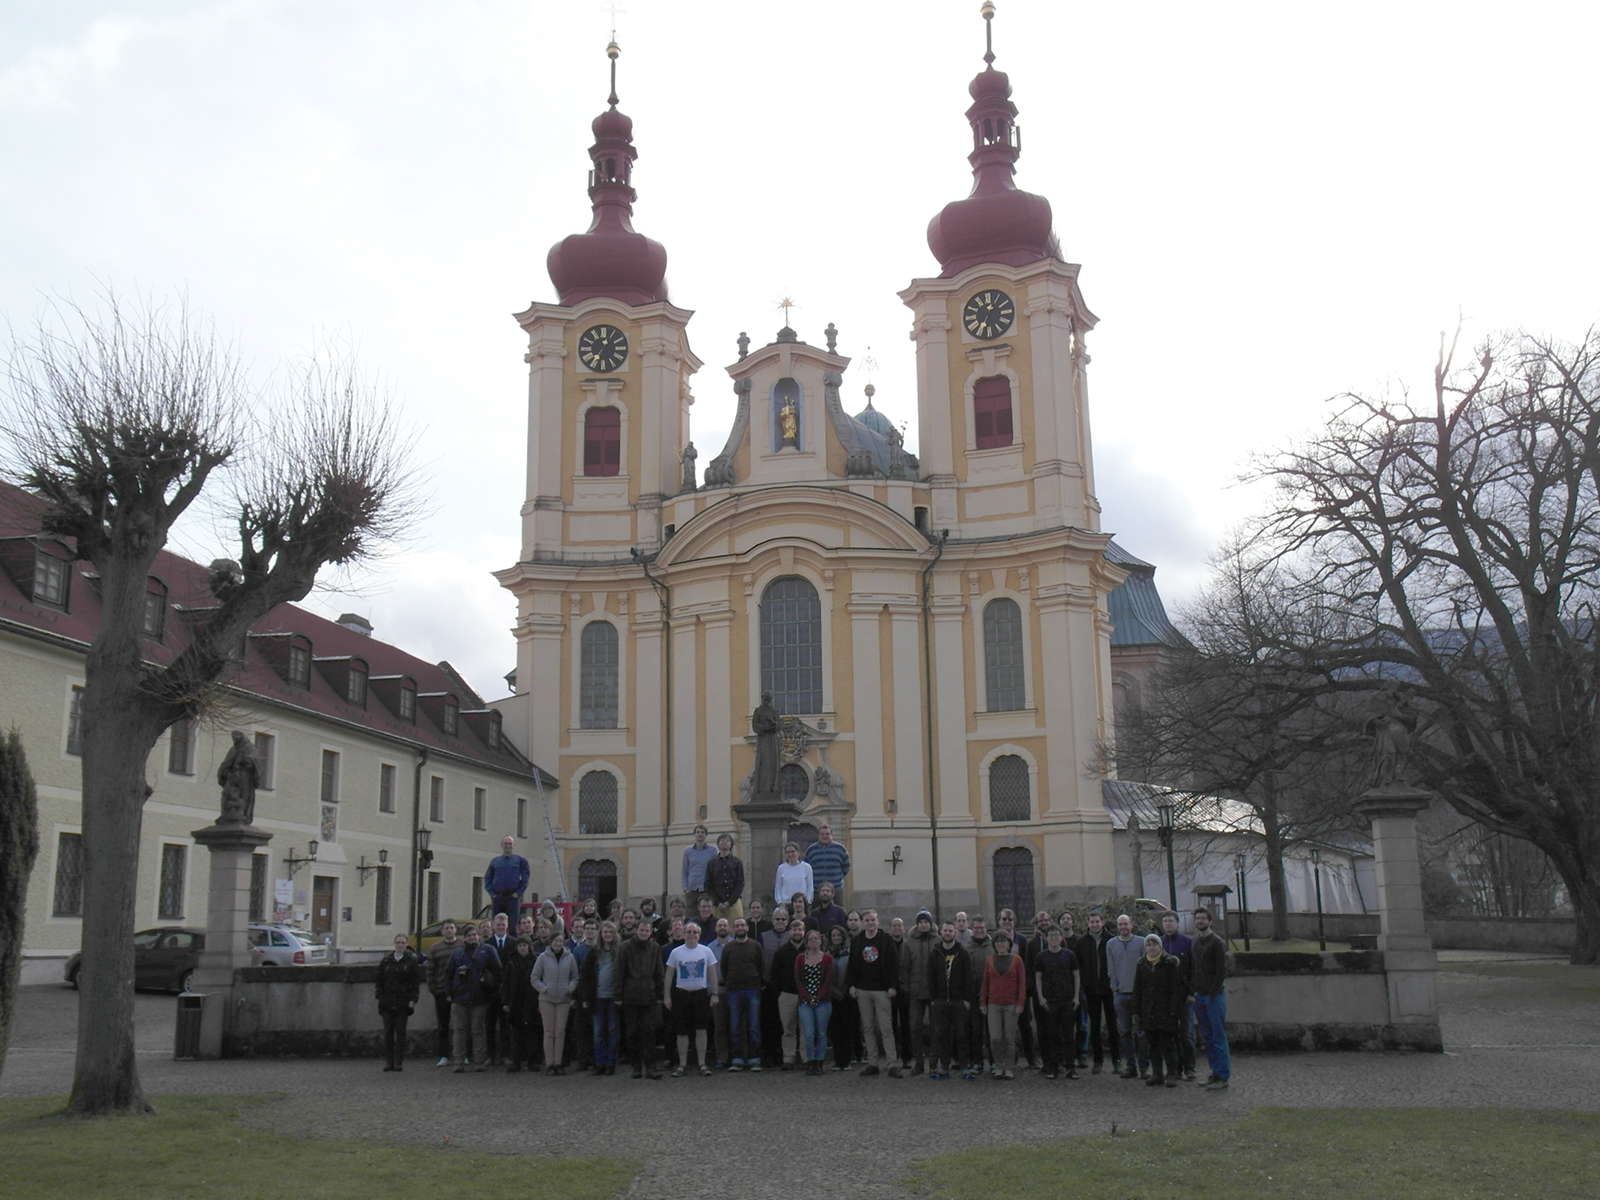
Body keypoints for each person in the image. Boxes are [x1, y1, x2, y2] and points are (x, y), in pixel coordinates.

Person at [664, 921, 719, 1077]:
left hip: (701, 994)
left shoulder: (706, 951)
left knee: (701, 1029)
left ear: (699, 935)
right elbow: (669, 976)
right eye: (689, 931)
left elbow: (712, 974)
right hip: (681, 994)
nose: (692, 934)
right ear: (684, 933)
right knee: (681, 1031)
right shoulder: (676, 952)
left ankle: (702, 1063)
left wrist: (714, 993)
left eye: (695, 932)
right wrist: (667, 996)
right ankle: (682, 1064)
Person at [848, 908, 899, 1077]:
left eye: (873, 920)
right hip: (862, 990)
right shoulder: (857, 941)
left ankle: (892, 1063)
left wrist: (893, 986)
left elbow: (893, 964)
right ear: (863, 923)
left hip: (882, 990)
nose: (870, 923)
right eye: (867, 920)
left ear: (877, 922)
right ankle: (873, 1063)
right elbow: (852, 965)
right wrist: (852, 985)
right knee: (868, 1028)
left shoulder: (886, 940)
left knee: (886, 1028)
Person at [1132, 933, 1186, 1087]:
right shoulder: (1141, 964)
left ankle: (1172, 1074)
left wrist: (1174, 1010)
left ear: (1160, 946)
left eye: (1154, 944)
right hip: (1148, 1011)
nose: (1151, 947)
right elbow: (1137, 989)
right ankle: (1157, 1074)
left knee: (1168, 1044)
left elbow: (1176, 989)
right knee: (1153, 1044)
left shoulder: (1170, 963)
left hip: (1166, 1010)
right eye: (1148, 945)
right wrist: (1136, 1011)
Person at [447, 924, 501, 1072]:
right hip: (460, 998)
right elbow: (449, 974)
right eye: (469, 935)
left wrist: (490, 989)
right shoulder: (457, 953)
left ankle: (479, 1061)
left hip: (480, 998)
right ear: (464, 938)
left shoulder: (487, 950)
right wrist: (450, 992)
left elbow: (497, 972)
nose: (472, 937)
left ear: (479, 936)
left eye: (475, 934)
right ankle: (458, 1062)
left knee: (478, 1030)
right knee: (459, 1031)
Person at [617, 914, 665, 1079]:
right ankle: (636, 1066)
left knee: (649, 1032)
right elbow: (620, 973)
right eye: (642, 930)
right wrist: (619, 994)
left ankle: (650, 1067)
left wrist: (660, 993)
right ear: (636, 930)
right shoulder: (624, 947)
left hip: (649, 996)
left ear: (651, 932)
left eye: (647, 930)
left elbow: (659, 972)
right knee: (632, 1033)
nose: (644, 932)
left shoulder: (655, 947)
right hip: (630, 996)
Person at [1190, 906, 1231, 1091]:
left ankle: (1222, 1076)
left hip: (1214, 996)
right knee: (1208, 1038)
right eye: (1197, 918)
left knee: (1218, 1037)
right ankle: (1214, 1072)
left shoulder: (1217, 942)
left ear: (1210, 921)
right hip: (1200, 996)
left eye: (1203, 918)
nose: (1200, 921)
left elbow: (1221, 971)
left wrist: (1211, 992)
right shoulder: (1195, 942)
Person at [927, 920, 973, 1081]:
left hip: (958, 1001)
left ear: (955, 933)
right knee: (942, 1035)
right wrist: (933, 999)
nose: (947, 933)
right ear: (941, 933)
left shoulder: (963, 952)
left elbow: (968, 977)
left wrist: (966, 999)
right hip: (940, 1001)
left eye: (950, 931)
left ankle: (965, 1067)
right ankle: (944, 1067)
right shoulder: (935, 953)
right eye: (945, 930)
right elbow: (930, 977)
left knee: (961, 1035)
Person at [1033, 925, 1079, 1080]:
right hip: (1050, 1002)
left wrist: (1076, 997)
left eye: (1056, 935)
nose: (1053, 938)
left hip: (1067, 1000)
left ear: (1061, 937)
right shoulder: (1041, 956)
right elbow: (1038, 978)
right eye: (1050, 935)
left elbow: (1076, 976)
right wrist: (1040, 997)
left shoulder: (1069, 955)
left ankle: (1070, 1067)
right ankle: (1053, 1067)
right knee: (1052, 1036)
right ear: (1046, 938)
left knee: (1068, 1036)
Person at [1105, 913, 1148, 1079]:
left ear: (1132, 925)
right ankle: (1130, 1067)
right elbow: (1111, 968)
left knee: (1141, 1033)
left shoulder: (1141, 942)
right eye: (1120, 924)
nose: (1123, 927)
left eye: (1125, 924)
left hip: (1138, 995)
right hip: (1120, 995)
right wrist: (1115, 989)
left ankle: (1144, 1067)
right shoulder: (1111, 944)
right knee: (1124, 1033)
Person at [720, 916, 765, 1070]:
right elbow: (724, 968)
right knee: (734, 1026)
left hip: (752, 989)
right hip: (733, 991)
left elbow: (761, 966)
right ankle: (737, 1058)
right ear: (734, 929)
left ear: (747, 928)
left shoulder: (756, 946)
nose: (740, 928)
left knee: (753, 1026)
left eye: (742, 925)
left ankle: (754, 1058)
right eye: (737, 925)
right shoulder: (728, 947)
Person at [980, 930, 1027, 1081]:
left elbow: (1022, 984)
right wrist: (983, 1002)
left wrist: (1020, 1003)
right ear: (994, 944)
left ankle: (1009, 1067)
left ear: (1009, 944)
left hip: (1011, 1005)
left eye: (1004, 941)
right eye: (998, 941)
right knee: (995, 1038)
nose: (1001, 944)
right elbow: (985, 983)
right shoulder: (989, 960)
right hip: (993, 1004)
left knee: (1009, 1038)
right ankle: (998, 1065)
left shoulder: (1017, 960)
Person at [579, 919, 623, 1075]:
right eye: (605, 932)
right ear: (601, 934)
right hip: (597, 997)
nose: (608, 935)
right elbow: (585, 976)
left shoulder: (620, 951)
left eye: (610, 932)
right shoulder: (594, 952)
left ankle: (611, 1063)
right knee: (598, 1032)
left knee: (612, 1031)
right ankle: (600, 1063)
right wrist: (585, 997)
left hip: (614, 998)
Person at [1158, 911, 1198, 1081]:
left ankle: (1189, 1068)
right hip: (1165, 998)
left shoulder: (1187, 943)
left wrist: (1191, 992)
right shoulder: (1158, 943)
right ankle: (1174, 1068)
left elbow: (1194, 969)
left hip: (1184, 996)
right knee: (1169, 1035)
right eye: (1165, 921)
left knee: (1187, 1034)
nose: (1168, 924)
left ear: (1177, 923)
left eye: (1170, 921)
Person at [375, 933, 422, 1072]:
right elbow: (379, 981)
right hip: (387, 1002)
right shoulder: (386, 960)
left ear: (406, 944)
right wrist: (379, 996)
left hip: (403, 1002)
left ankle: (398, 1061)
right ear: (394, 944)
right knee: (388, 1032)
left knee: (401, 1032)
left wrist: (413, 1000)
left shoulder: (411, 961)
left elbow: (415, 983)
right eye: (398, 942)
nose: (400, 945)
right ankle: (389, 1061)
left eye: (402, 942)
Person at [1078, 911, 1118, 1074]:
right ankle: (1098, 1061)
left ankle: (1117, 1060)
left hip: (1109, 989)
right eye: (1092, 922)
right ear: (1088, 924)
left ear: (1102, 923)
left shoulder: (1111, 940)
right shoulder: (1082, 943)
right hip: (1091, 990)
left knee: (1112, 1026)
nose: (1094, 924)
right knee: (1094, 1026)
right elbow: (1079, 967)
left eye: (1097, 921)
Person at [900, 909, 937, 1075]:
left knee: (937, 1028)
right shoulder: (908, 943)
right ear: (917, 924)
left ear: (930, 923)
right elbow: (904, 967)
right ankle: (919, 1063)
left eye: (926, 922)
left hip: (934, 991)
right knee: (915, 1027)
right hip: (915, 992)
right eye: (921, 922)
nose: (923, 924)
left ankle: (935, 1063)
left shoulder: (938, 940)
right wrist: (906, 987)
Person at [771, 910, 808, 1069]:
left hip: (806, 994)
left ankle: (806, 1057)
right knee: (788, 1028)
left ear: (803, 932)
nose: (797, 932)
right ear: (790, 931)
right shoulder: (781, 952)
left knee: (806, 1028)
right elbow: (775, 974)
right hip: (787, 994)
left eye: (800, 929)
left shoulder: (809, 951)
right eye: (794, 929)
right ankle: (789, 1057)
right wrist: (780, 992)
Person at [794, 928, 834, 1075]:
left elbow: (828, 980)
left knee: (821, 1033)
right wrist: (807, 997)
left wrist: (817, 997)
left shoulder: (827, 959)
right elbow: (798, 980)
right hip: (805, 1002)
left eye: (816, 938)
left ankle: (819, 1062)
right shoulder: (800, 958)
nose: (814, 941)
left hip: (823, 1001)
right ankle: (810, 1061)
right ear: (806, 941)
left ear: (821, 941)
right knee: (809, 1033)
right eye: (811, 939)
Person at [501, 936, 541, 1072]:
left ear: (529, 947)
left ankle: (532, 1061)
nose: (523, 948)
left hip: (532, 1001)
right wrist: (506, 1001)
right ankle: (516, 1061)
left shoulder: (536, 960)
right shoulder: (511, 962)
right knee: (515, 1034)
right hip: (515, 1001)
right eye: (520, 946)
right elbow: (505, 983)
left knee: (532, 1032)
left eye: (525, 945)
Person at [425, 920, 460, 1067]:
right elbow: (430, 970)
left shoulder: (462, 946)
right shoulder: (435, 948)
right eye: (447, 928)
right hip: (441, 990)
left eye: (452, 928)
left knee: (462, 1025)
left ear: (455, 930)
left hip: (459, 991)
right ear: (442, 931)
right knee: (443, 1025)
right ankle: (443, 1055)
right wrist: (433, 988)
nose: (449, 930)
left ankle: (462, 1054)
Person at [965, 916, 995, 1074]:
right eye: (976, 928)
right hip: (973, 995)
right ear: (972, 929)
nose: (979, 930)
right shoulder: (966, 947)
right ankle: (977, 1062)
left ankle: (994, 1062)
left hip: (991, 996)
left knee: (992, 1031)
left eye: (982, 928)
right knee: (975, 1031)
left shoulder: (993, 946)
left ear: (986, 929)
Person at [483, 912, 513, 1067]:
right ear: (493, 926)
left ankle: (506, 1055)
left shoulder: (513, 943)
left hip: (507, 991)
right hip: (491, 991)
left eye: (503, 924)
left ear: (507, 926)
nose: (501, 927)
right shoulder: (487, 944)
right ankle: (490, 1055)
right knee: (489, 1024)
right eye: (498, 924)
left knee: (506, 1025)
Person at [827, 923, 856, 1070]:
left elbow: (852, 973)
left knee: (847, 1028)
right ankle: (838, 1060)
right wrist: (833, 991)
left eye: (838, 935)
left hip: (846, 995)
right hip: (832, 996)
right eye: (833, 935)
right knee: (835, 1029)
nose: (836, 938)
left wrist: (844, 990)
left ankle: (847, 1060)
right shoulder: (827, 954)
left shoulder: (850, 953)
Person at [484, 835, 530, 922]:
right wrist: (492, 894)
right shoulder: (495, 861)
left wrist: (518, 893)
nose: (507, 846)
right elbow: (487, 878)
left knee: (512, 925)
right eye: (505, 843)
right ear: (502, 845)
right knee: (497, 924)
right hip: (498, 897)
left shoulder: (520, 860)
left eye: (510, 844)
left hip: (513, 898)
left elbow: (525, 879)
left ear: (513, 846)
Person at [804, 821, 850, 896]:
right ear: (818, 835)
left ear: (831, 835)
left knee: (838, 908)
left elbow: (846, 868)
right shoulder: (811, 850)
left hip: (836, 889)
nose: (825, 836)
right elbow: (806, 869)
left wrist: (836, 878)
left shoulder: (841, 849)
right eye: (822, 834)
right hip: (816, 890)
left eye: (827, 834)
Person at [707, 832, 746, 921]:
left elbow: (740, 883)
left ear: (731, 844)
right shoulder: (712, 863)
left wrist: (729, 902)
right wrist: (717, 902)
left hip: (734, 902)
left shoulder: (737, 862)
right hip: (717, 904)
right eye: (722, 840)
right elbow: (709, 884)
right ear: (718, 844)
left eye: (727, 840)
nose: (724, 842)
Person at [888, 916, 911, 1066]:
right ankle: (893, 1056)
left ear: (904, 929)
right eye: (894, 925)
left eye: (899, 925)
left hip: (905, 990)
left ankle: (906, 1057)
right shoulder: (886, 945)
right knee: (891, 1025)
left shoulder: (908, 945)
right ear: (890, 929)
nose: (897, 928)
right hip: (889, 990)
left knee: (906, 1025)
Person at [682, 825, 718, 910]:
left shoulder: (713, 850)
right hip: (692, 889)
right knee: (691, 916)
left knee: (706, 913)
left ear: (706, 835)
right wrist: (685, 888)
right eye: (697, 832)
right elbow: (685, 870)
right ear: (694, 834)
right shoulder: (688, 851)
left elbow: (715, 870)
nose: (700, 834)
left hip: (707, 889)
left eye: (702, 832)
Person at [774, 842, 813, 907]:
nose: (790, 854)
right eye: (787, 852)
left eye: (792, 851)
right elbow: (778, 888)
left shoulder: (807, 867)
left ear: (798, 852)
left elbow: (810, 887)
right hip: (785, 904)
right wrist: (780, 902)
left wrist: (808, 902)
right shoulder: (781, 868)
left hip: (801, 904)